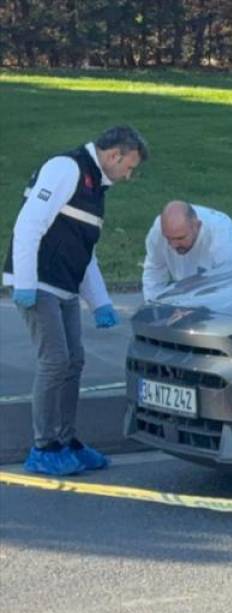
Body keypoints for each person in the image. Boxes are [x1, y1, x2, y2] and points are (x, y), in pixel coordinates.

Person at [2, 125, 148, 476]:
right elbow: (29, 225)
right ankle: (44, 446)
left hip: (64, 285)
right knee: (55, 361)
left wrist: (100, 302)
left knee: (74, 361)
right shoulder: (65, 168)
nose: (129, 176)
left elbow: (84, 251)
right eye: (129, 167)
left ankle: (66, 440)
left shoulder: (95, 187)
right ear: (114, 155)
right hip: (39, 283)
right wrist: (25, 283)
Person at [142, 201, 232, 302]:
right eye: (168, 238)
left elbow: (226, 289)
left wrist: (192, 309)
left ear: (197, 226)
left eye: (180, 238)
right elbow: (154, 270)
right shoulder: (158, 230)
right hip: (191, 278)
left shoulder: (221, 238)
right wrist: (152, 305)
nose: (173, 245)